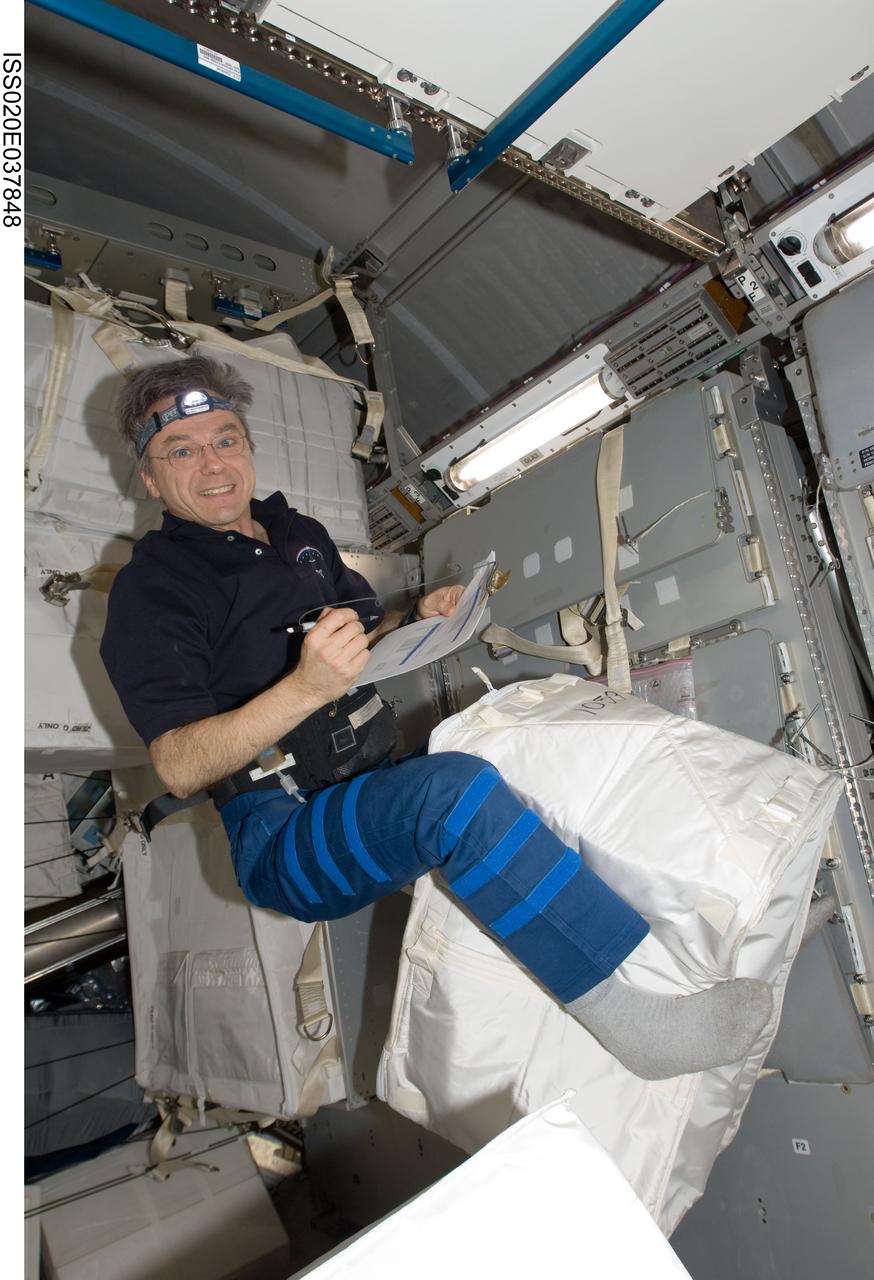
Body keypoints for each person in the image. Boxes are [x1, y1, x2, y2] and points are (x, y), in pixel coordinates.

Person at [101, 355, 772, 1081]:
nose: (213, 465)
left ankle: (679, 944)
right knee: (450, 795)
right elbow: (178, 764)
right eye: (181, 451)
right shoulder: (153, 588)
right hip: (282, 832)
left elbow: (366, 635)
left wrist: (416, 617)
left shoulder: (297, 533)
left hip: (371, 773)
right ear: (150, 478)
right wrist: (304, 688)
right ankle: (641, 1030)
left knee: (539, 743)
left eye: (226, 439)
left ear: (248, 445)